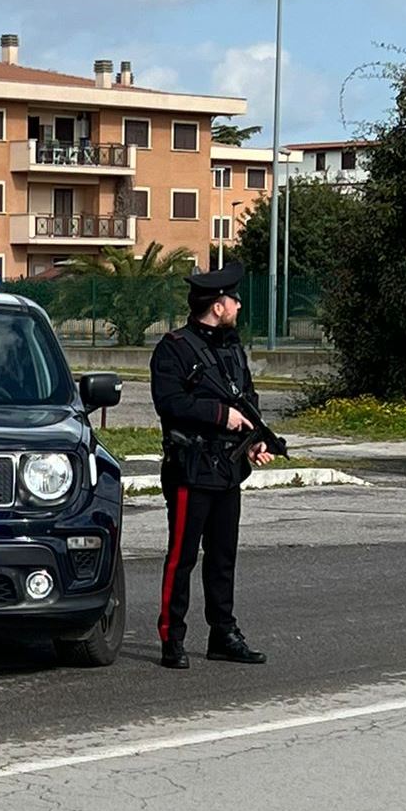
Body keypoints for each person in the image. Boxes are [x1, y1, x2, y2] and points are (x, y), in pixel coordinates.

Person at [148, 261, 271, 670]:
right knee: (181, 557)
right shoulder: (174, 348)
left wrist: (253, 441)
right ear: (217, 305)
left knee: (223, 557)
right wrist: (221, 416)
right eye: (233, 298)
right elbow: (170, 403)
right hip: (191, 469)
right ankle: (172, 637)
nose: (238, 304)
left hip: (227, 469)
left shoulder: (232, 348)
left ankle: (224, 633)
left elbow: (247, 399)